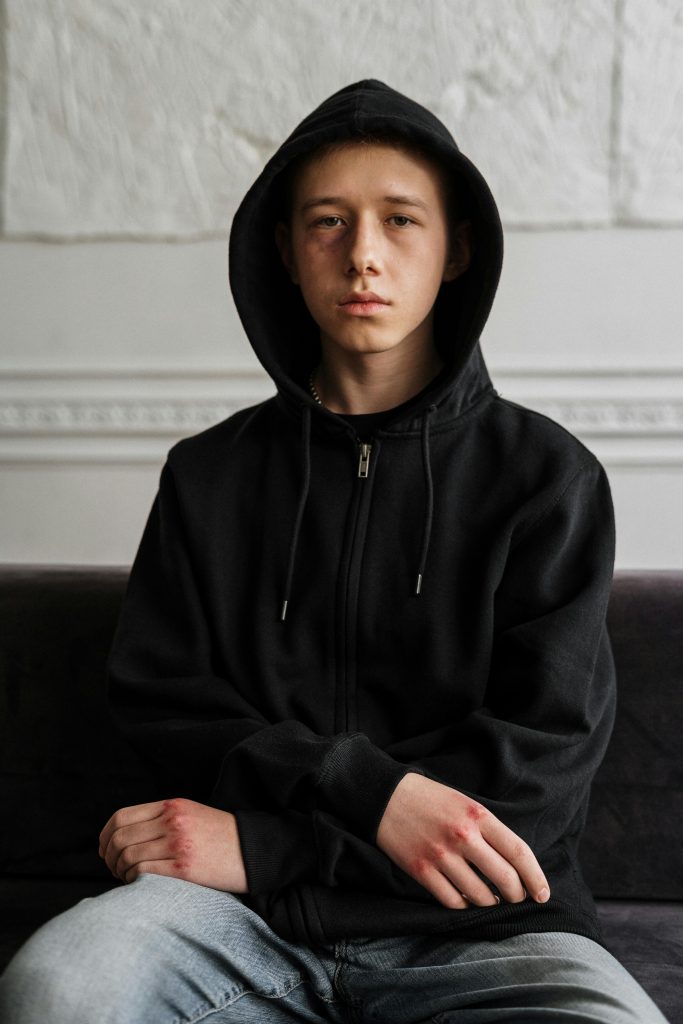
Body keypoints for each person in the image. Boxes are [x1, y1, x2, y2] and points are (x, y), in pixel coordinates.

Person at [0, 78, 669, 1023]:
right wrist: (371, 797)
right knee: (58, 987)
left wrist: (279, 842)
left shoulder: (547, 481)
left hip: (484, 933)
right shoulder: (207, 477)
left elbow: (532, 792)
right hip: (232, 918)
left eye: (400, 220)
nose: (362, 255)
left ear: (457, 247)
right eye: (326, 222)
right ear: (283, 248)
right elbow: (167, 712)